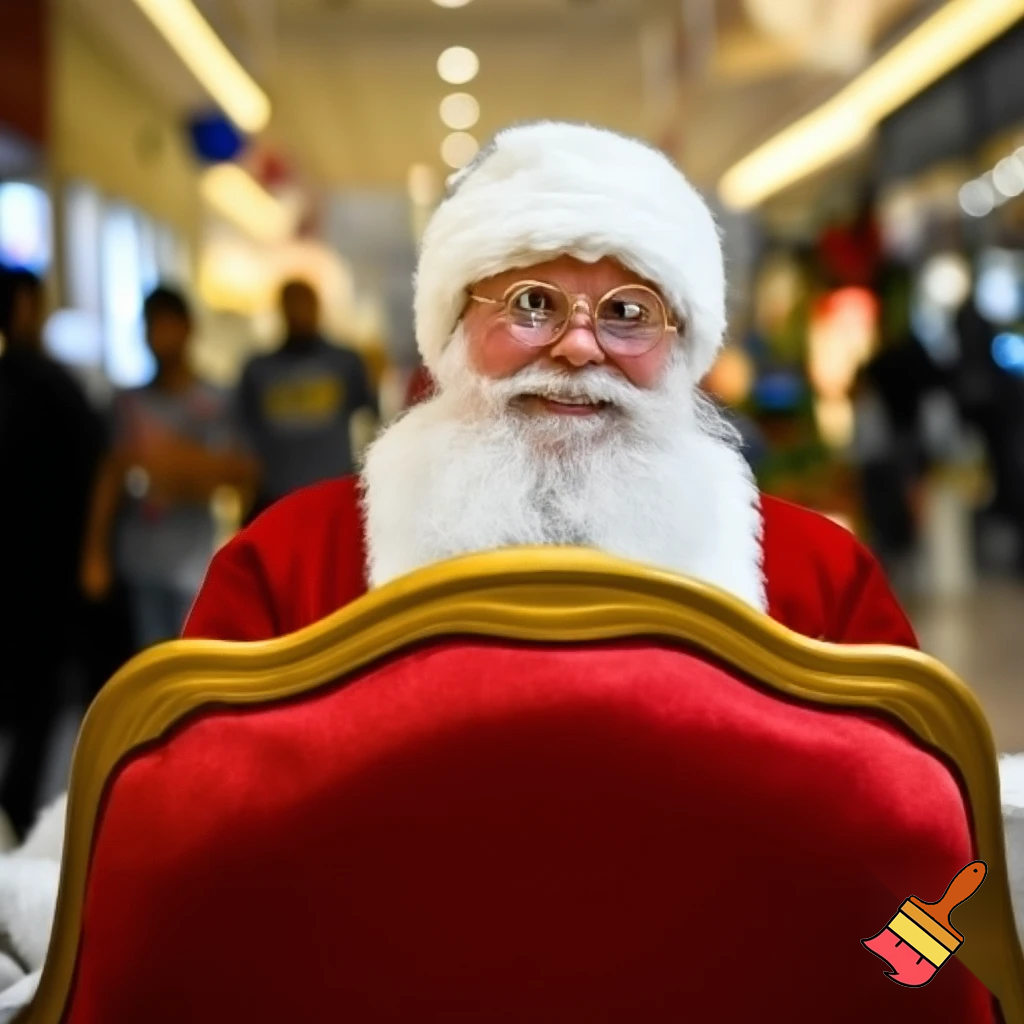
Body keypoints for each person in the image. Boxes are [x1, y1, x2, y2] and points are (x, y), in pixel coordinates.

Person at [0, 122, 985, 1012]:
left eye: (630, 310)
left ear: (683, 347)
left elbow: (918, 868)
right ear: (453, 328)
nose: (577, 346)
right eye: (529, 301)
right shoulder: (289, 559)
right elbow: (186, 864)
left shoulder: (815, 571)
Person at [79, 287, 259, 649]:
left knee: (194, 662)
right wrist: (94, 550)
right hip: (141, 559)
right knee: (150, 666)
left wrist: (170, 464)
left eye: (167, 325)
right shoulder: (129, 404)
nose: (159, 336)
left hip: (196, 562)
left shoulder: (216, 400)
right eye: (151, 327)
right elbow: (113, 474)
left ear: (188, 328)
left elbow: (239, 471)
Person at [0, 270, 105, 836]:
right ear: (25, 307)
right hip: (46, 567)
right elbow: (95, 457)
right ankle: (19, 816)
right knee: (43, 704)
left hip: (21, 566)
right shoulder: (49, 384)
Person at [238, 279, 379, 518]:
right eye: (292, 304)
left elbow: (371, 421)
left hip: (335, 495)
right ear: (281, 310)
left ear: (317, 306)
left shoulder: (345, 363)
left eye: (305, 303)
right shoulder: (259, 371)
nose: (299, 312)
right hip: (277, 499)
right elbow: (243, 436)